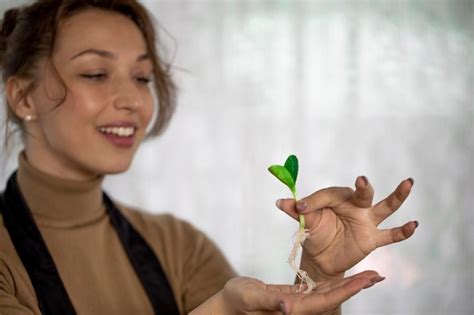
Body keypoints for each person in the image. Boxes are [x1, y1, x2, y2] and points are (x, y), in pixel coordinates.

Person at [0, 1, 418, 314]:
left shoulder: (177, 245)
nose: (132, 99)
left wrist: (321, 275)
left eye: (142, 78)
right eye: (95, 73)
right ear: (22, 97)